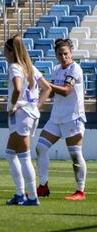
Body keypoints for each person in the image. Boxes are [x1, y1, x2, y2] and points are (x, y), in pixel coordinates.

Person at [36, 39, 87, 201]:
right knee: (40, 148)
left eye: (66, 53)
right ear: (56, 56)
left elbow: (65, 90)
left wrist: (48, 85)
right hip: (56, 118)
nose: (63, 56)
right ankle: (43, 186)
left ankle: (80, 191)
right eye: (60, 54)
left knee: (76, 156)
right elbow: (52, 92)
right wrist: (42, 89)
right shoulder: (57, 69)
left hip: (73, 118)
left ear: (71, 53)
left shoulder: (75, 69)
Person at [4, 35, 51, 206]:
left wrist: (13, 105)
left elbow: (17, 88)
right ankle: (19, 194)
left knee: (24, 156)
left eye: (5, 50)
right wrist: (36, 106)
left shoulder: (15, 67)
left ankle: (31, 197)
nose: (4, 54)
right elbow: (47, 87)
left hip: (22, 115)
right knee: (10, 154)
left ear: (10, 51)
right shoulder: (30, 67)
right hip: (29, 114)